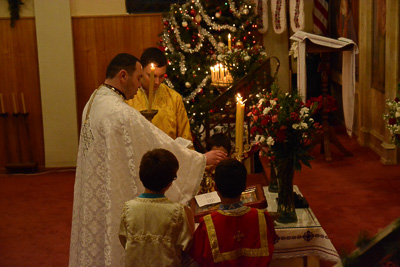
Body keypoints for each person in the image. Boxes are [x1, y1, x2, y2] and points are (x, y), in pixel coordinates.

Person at [69, 53, 226, 267]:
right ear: (123, 76)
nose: (140, 85)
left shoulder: (94, 100)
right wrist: (200, 159)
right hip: (112, 192)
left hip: (96, 189)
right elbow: (154, 144)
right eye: (138, 78)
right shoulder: (119, 113)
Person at [190, 159, 277, 266]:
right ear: (245, 187)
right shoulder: (262, 218)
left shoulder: (207, 225)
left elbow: (197, 256)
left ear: (215, 187)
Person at [119, 148, 195, 266]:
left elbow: (124, 240)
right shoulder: (178, 211)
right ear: (169, 183)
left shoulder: (128, 208)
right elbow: (186, 245)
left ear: (142, 176)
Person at [127, 47, 192, 141]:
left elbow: (185, 138)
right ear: (141, 70)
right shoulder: (127, 97)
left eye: (161, 76)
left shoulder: (174, 98)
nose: (157, 82)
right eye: (152, 76)